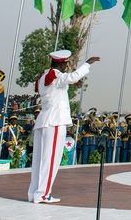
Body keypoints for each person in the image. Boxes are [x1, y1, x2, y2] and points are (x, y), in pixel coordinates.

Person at [27, 50, 100, 204]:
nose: (67, 66)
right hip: (54, 122)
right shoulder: (56, 75)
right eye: (66, 63)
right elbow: (72, 77)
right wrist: (87, 63)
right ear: (61, 63)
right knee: (50, 160)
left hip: (43, 121)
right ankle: (43, 194)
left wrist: (71, 82)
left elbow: (62, 86)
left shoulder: (44, 76)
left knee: (39, 160)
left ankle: (34, 192)